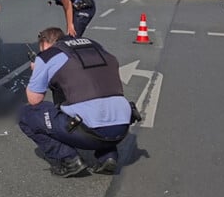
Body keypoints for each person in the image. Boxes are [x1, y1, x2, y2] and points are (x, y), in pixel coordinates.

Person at [19, 27, 136, 177]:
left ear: (45, 44)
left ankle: (69, 159)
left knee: (25, 114)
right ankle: (108, 156)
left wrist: (37, 71)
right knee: (97, 107)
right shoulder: (95, 46)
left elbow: (34, 99)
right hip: (122, 129)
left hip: (89, 132)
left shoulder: (48, 55)